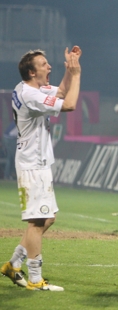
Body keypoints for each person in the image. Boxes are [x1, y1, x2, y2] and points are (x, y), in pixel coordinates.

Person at [1, 47, 82, 291]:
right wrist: (77, 75)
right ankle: (35, 280)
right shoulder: (30, 95)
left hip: (38, 163)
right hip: (31, 164)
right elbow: (68, 104)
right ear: (31, 72)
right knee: (37, 222)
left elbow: (59, 91)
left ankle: (13, 264)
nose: (49, 67)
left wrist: (69, 70)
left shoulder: (28, 87)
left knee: (48, 218)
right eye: (44, 65)